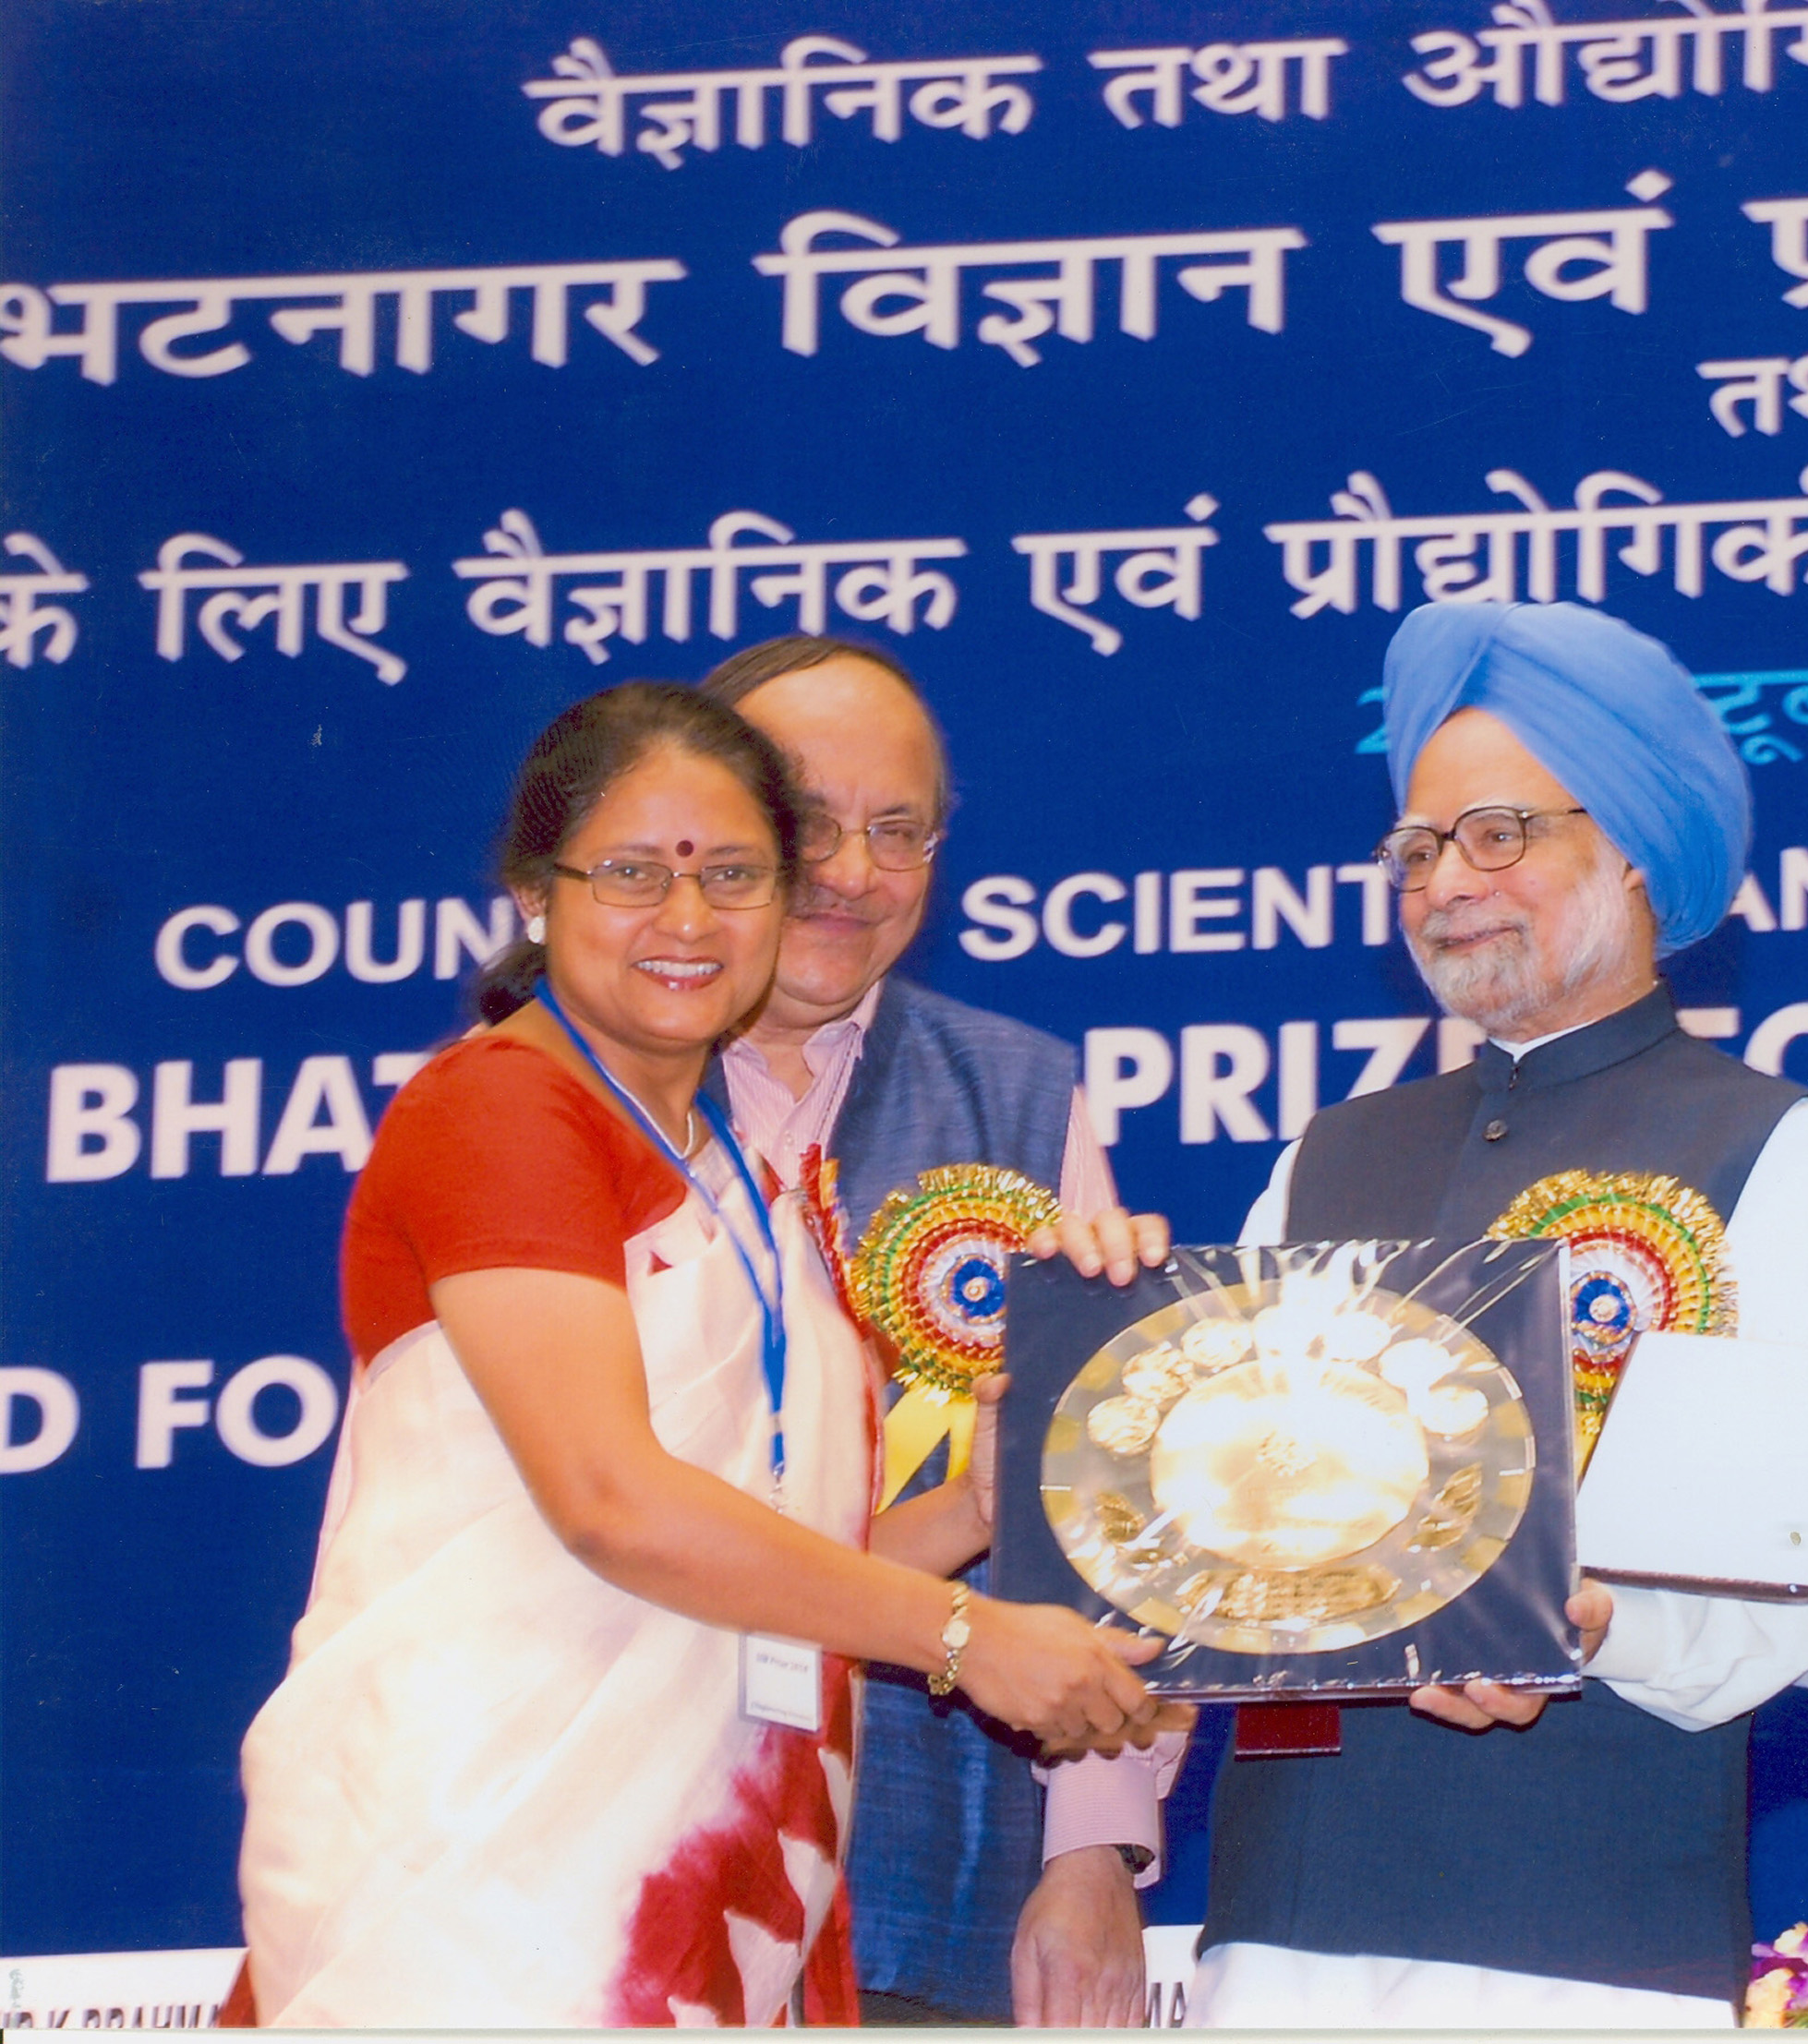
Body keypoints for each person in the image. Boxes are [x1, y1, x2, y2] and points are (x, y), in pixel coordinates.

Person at [231, 683, 1169, 2026]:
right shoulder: (503, 1107)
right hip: (481, 1871)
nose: (687, 920)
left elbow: (769, 1552)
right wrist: (968, 1637)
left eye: (731, 874)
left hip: (682, 1879)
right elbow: (614, 1503)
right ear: (531, 894)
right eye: (631, 874)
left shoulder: (736, 1182)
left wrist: (974, 1510)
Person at [1191, 601, 1808, 2027]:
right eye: (1417, 845)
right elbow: (1226, 1533)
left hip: (1592, 1937)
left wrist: (1594, 1627)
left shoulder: (1782, 1154)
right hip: (1281, 1939)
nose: (1446, 879)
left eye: (1497, 833)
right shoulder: (1321, 1157)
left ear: (1638, 844)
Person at [698, 635, 1181, 2029]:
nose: (852, 869)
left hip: (923, 1884)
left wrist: (1096, 1855)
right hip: (614, 1850)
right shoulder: (592, 1093)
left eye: (897, 829)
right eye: (805, 823)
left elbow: (1106, 1518)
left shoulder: (1018, 1098)